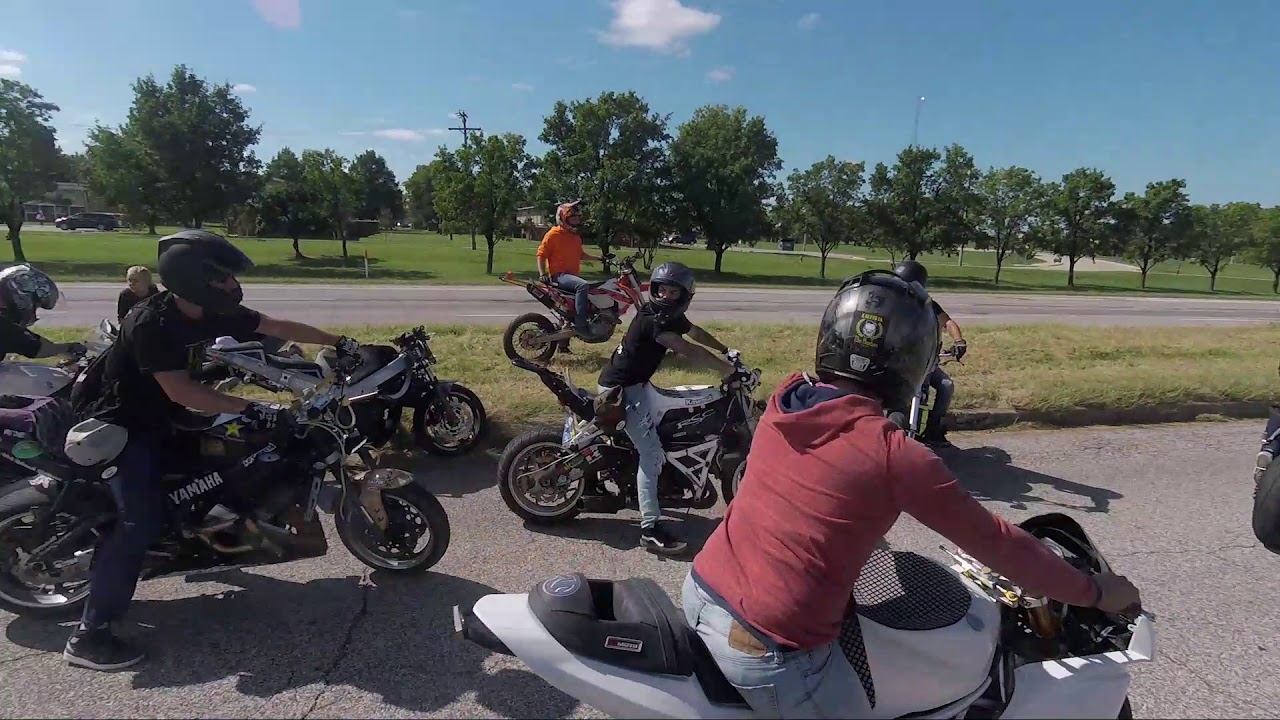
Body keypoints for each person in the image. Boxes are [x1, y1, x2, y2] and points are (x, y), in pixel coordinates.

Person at [682, 270, 1141, 718]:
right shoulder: (892, 453)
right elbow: (997, 543)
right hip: (768, 644)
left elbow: (818, 496)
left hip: (704, 588)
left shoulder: (789, 400)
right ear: (914, 359)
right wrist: (1094, 591)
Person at [64, 229, 365, 672]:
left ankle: (212, 540)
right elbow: (181, 390)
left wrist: (338, 342)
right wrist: (256, 409)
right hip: (125, 425)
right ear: (194, 280)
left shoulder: (207, 312)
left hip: (166, 415)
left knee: (229, 462)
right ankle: (89, 636)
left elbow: (275, 327)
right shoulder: (153, 323)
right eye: (223, 279)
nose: (232, 286)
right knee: (138, 523)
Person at [597, 261, 738, 555]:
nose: (665, 295)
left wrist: (726, 350)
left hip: (636, 384)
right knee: (651, 454)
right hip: (621, 392)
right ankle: (650, 530)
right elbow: (687, 349)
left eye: (672, 291)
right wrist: (726, 371)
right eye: (661, 289)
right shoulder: (655, 321)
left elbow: (696, 333)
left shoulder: (668, 315)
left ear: (683, 295)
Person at [893, 260, 966, 446]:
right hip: (903, 361)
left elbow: (948, 322)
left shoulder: (928, 305)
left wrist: (959, 341)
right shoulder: (894, 303)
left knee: (946, 385)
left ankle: (933, 429)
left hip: (926, 361)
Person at [535, 200, 604, 337]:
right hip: (559, 276)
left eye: (577, 218)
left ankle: (563, 345)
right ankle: (581, 324)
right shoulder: (553, 235)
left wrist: (600, 258)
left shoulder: (575, 237)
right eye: (572, 218)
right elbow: (541, 255)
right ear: (562, 218)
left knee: (570, 309)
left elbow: (581, 255)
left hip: (571, 277)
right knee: (582, 286)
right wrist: (542, 274)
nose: (576, 221)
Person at [0, 264, 85, 361]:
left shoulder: (5, 324)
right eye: (35, 306)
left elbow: (29, 339)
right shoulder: (3, 326)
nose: (34, 315)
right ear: (22, 298)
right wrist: (71, 348)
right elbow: (37, 349)